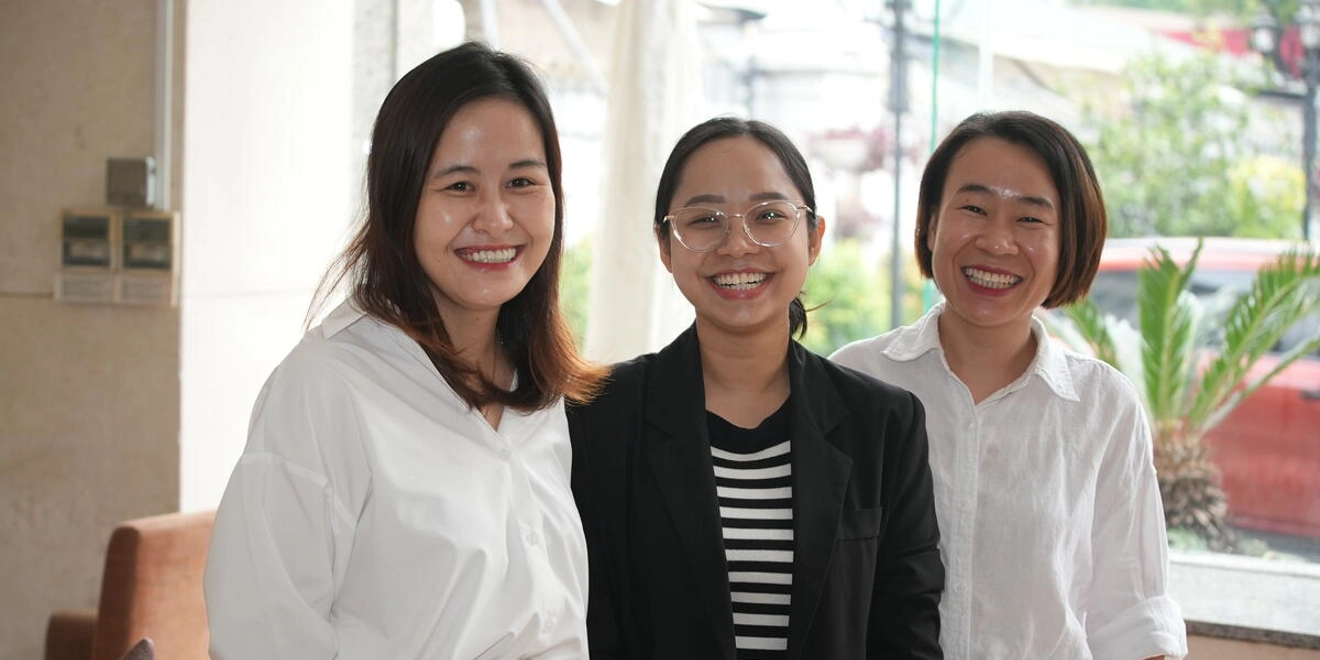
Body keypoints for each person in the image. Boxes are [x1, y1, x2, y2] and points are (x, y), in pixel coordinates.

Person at [203, 42, 606, 659]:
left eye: (523, 182)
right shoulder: (327, 387)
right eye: (459, 185)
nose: (497, 218)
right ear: (400, 200)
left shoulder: (538, 390)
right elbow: (261, 639)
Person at [568, 117, 944, 659]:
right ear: (665, 246)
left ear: (813, 238)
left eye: (768, 216)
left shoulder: (884, 425)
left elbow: (906, 636)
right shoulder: (599, 416)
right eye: (705, 220)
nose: (737, 245)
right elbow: (587, 627)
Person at [831, 110, 1188, 659]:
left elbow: (1133, 620)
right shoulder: (853, 382)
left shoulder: (1102, 407)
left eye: (1030, 219)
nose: (997, 242)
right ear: (930, 223)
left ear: (1069, 242)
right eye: (974, 208)